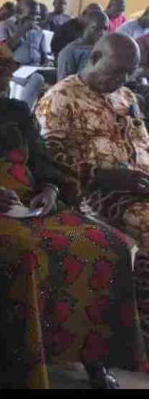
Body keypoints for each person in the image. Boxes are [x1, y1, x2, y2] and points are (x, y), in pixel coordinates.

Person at [0, 41, 145, 389]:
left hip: (29, 203)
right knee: (25, 252)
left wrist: (50, 189)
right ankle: (21, 367)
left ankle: (94, 357)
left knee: (106, 245)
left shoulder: (16, 113)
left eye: (2, 85)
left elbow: (42, 161)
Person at [36, 33, 149, 368]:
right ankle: (139, 331)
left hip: (137, 185)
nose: (122, 80)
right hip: (91, 193)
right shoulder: (61, 98)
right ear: (95, 57)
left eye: (128, 73)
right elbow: (50, 162)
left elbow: (142, 145)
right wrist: (102, 175)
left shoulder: (126, 96)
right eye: (115, 71)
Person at [0, 0, 49, 108]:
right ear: (19, 12)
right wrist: (22, 31)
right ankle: (23, 111)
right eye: (31, 13)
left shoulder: (39, 31)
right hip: (14, 69)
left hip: (36, 68)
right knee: (37, 79)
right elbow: (3, 51)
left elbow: (44, 55)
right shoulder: (5, 26)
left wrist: (47, 62)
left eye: (37, 14)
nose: (35, 17)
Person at [57, 10, 109, 81]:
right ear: (86, 27)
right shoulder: (70, 51)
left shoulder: (105, 50)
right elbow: (64, 83)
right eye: (96, 28)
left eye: (105, 29)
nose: (102, 32)